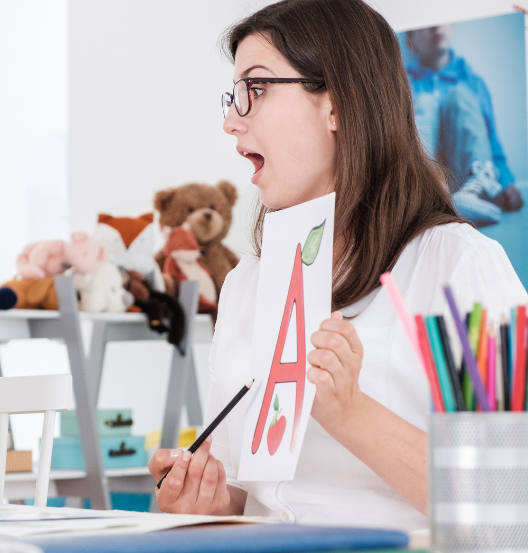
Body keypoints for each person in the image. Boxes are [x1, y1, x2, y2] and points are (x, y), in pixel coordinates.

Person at [148, 0, 527, 531]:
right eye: (233, 96)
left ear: (339, 105)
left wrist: (352, 414)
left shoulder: (460, 269)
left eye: (254, 90)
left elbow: (507, 498)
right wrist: (214, 500)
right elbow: (252, 492)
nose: (232, 121)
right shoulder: (246, 284)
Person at [406, 25, 523, 226]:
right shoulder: (405, 83)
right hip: (427, 182)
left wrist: (507, 182)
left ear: (451, 27)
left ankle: (477, 189)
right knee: (423, 102)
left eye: (441, 20)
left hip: (465, 180)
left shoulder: (472, 82)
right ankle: (428, 195)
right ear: (410, 42)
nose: (435, 26)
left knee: (460, 96)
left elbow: (490, 139)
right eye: (426, 23)